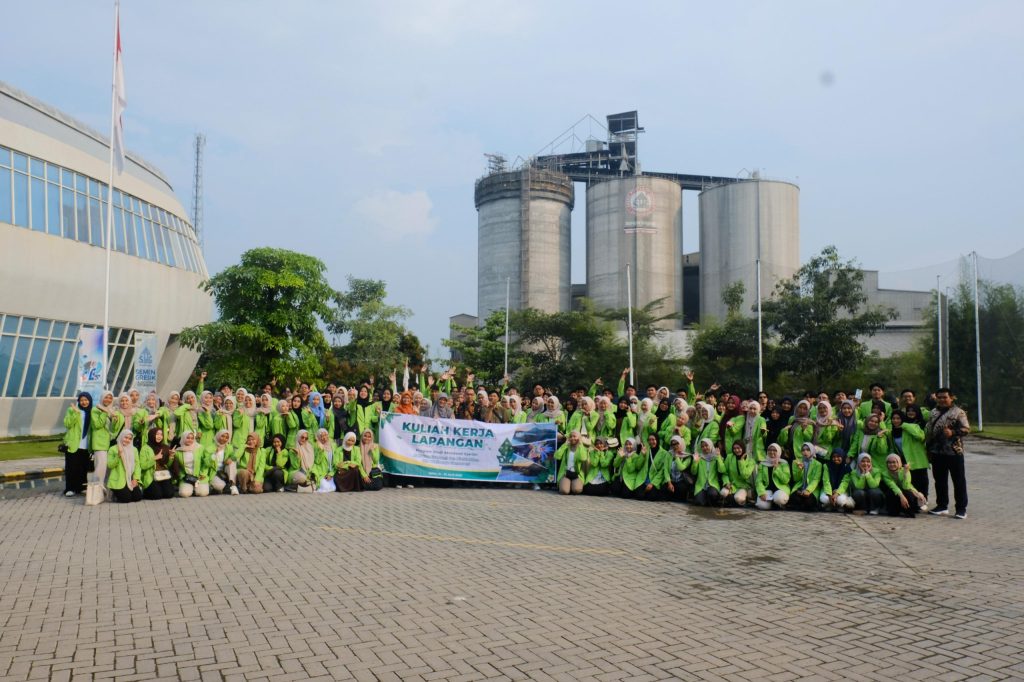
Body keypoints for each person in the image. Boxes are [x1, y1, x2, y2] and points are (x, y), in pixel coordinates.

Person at [926, 388, 970, 519]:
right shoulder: (933, 412)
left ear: (951, 398)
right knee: (939, 480)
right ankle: (942, 506)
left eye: (945, 397)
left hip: (954, 452)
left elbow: (966, 429)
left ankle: (961, 509)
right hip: (936, 451)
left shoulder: (958, 412)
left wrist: (953, 433)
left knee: (959, 481)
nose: (942, 400)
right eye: (939, 397)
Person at [61, 392, 94, 497]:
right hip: (74, 444)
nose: (84, 402)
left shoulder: (92, 412)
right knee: (71, 468)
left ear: (89, 400)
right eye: (82, 400)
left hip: (86, 445)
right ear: (79, 401)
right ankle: (70, 488)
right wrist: (76, 413)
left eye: (86, 400)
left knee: (83, 468)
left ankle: (81, 487)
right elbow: (67, 424)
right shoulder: (71, 410)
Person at [106, 430, 143, 503]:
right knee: (126, 499)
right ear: (121, 437)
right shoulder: (113, 449)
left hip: (130, 478)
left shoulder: (134, 450)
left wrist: (136, 479)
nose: (127, 440)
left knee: (138, 497)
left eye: (130, 439)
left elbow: (137, 466)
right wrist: (118, 455)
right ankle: (115, 493)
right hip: (119, 480)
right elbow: (110, 465)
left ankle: (124, 492)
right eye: (126, 437)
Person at [140, 427, 175, 500]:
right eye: (157, 434)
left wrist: (171, 456)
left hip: (163, 474)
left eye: (161, 434)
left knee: (169, 494)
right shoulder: (145, 448)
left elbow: (168, 465)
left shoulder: (165, 447)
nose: (159, 436)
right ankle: (146, 492)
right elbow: (142, 465)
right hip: (151, 476)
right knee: (156, 495)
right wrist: (154, 458)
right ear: (152, 435)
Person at [789, 443, 825, 511]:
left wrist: (808, 490)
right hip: (800, 488)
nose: (805, 452)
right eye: (803, 450)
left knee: (808, 502)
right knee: (794, 499)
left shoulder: (818, 464)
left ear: (812, 450)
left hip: (812, 489)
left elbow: (816, 480)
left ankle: (804, 506)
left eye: (808, 450)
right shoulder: (796, 462)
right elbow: (796, 479)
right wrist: (800, 470)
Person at [755, 443, 790, 510]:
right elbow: (759, 481)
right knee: (762, 506)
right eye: (769, 450)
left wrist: (777, 468)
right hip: (767, 489)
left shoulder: (784, 463)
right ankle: (771, 503)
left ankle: (777, 503)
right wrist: (761, 493)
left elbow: (786, 480)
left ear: (779, 451)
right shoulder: (763, 464)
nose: (771, 452)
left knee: (779, 499)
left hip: (780, 489)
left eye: (774, 450)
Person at [690, 438, 724, 506]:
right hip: (701, 485)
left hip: (712, 484)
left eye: (706, 445)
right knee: (699, 502)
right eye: (702, 446)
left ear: (711, 445)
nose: (704, 448)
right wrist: (695, 462)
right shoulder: (699, 457)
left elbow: (722, 470)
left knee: (712, 495)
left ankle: (710, 500)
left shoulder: (716, 457)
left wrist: (719, 457)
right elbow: (694, 472)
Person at [174, 431, 209, 498]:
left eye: (192, 438)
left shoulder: (200, 448)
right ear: (183, 438)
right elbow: (176, 467)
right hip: (186, 477)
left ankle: (197, 488)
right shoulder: (178, 451)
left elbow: (205, 463)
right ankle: (191, 488)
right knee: (184, 494)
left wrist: (203, 474)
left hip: (199, 477)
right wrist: (182, 476)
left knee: (203, 493)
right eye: (188, 438)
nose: (190, 440)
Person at [721, 440, 755, 507]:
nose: (736, 450)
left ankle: (742, 500)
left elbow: (745, 475)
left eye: (738, 448)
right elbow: (725, 473)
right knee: (723, 493)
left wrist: (741, 462)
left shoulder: (751, 461)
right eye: (734, 448)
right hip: (732, 485)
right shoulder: (729, 457)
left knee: (738, 498)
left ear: (743, 448)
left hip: (744, 486)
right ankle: (733, 501)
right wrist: (726, 482)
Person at [205, 429, 239, 495]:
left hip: (224, 470)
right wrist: (214, 454)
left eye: (227, 437)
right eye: (222, 436)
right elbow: (207, 464)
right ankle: (219, 488)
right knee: (220, 486)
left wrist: (231, 458)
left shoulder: (229, 447)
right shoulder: (209, 448)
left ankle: (233, 485)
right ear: (218, 436)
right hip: (214, 472)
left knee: (232, 463)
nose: (224, 439)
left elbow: (234, 456)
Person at [555, 430, 587, 495]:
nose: (572, 438)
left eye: (574, 436)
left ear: (579, 438)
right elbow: (557, 456)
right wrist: (565, 445)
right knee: (564, 491)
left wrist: (580, 445)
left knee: (577, 490)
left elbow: (583, 458)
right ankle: (567, 484)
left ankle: (572, 485)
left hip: (577, 474)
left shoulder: (582, 448)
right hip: (566, 473)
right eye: (571, 436)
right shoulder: (566, 447)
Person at [311, 428, 337, 493]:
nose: (324, 437)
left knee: (333, 488)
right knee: (325, 487)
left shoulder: (333, 445)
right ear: (318, 438)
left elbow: (336, 461)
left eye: (325, 435)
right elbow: (317, 461)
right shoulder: (316, 446)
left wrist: (331, 474)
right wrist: (321, 450)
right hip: (322, 472)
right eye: (321, 436)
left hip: (332, 471)